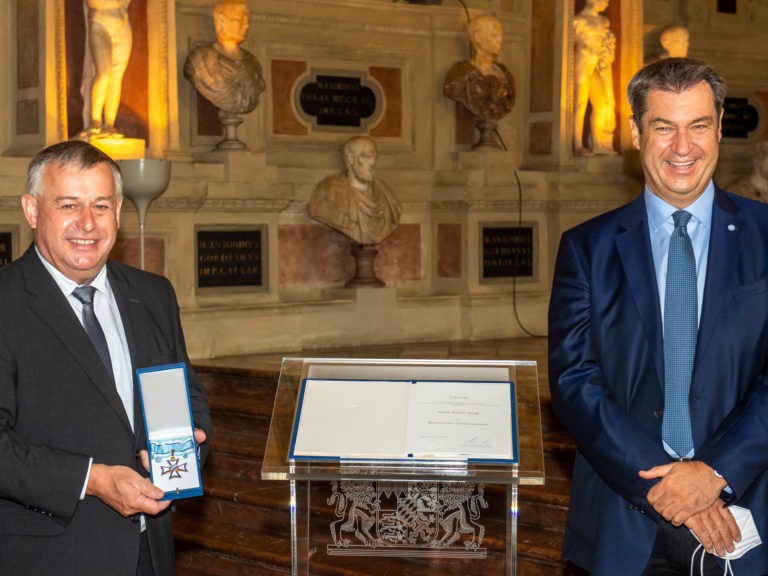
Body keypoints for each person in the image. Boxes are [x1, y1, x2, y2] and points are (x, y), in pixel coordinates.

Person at [549, 57, 768, 575]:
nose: (683, 148)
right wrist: (670, 487)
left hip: (747, 511)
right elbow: (575, 382)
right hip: (621, 523)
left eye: (697, 125)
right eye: (663, 127)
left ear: (718, 126)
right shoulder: (587, 248)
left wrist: (714, 472)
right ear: (635, 132)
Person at [0, 140, 212, 575]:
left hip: (149, 553)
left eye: (100, 205)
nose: (87, 223)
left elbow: (185, 400)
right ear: (32, 210)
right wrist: (93, 480)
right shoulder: (5, 304)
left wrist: (181, 446)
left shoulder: (153, 295)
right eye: (68, 205)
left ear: (118, 209)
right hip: (49, 558)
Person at [308, 136, 401, 246]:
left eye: (375, 157)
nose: (373, 163)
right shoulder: (331, 192)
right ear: (351, 158)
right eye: (367, 156)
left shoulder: (386, 193)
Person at [183, 0, 266, 115]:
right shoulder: (201, 59)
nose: (246, 25)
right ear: (221, 21)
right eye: (238, 20)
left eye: (248, 21)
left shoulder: (253, 62)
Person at [443, 13, 516, 123]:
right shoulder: (461, 74)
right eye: (494, 35)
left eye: (501, 36)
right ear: (478, 37)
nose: (500, 41)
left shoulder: (505, 74)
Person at [80, 0, 133, 139]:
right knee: (104, 74)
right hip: (100, 23)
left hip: (122, 25)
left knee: (116, 76)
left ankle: (110, 123)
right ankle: (95, 120)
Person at [573, 0, 617, 155]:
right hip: (582, 62)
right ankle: (578, 144)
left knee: (602, 105)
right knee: (580, 103)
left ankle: (598, 144)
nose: (606, 3)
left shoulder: (603, 22)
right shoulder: (578, 20)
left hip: (598, 65)